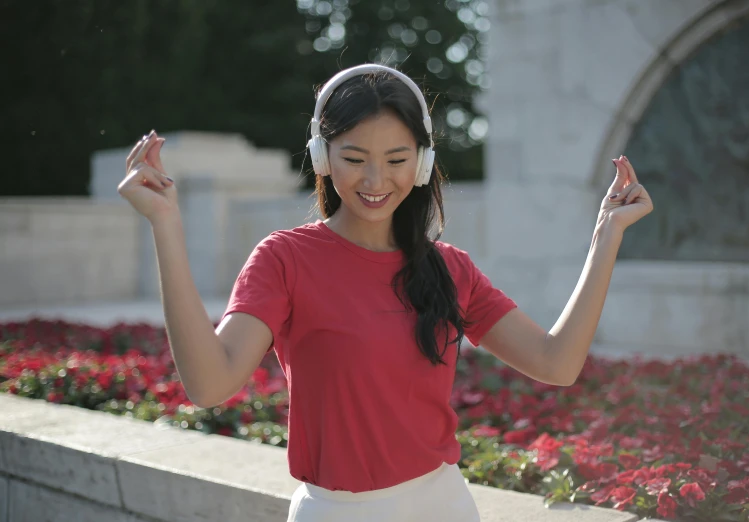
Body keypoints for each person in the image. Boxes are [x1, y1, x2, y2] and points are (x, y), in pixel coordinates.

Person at [118, 64, 653, 521]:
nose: (376, 179)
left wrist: (607, 235)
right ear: (323, 157)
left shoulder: (450, 269)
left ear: (421, 164)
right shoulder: (284, 260)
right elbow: (210, 384)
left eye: (397, 160)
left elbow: (556, 364)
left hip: (443, 506)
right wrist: (165, 225)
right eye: (354, 159)